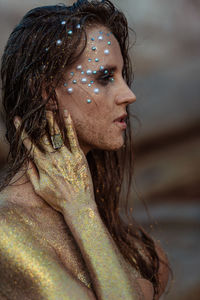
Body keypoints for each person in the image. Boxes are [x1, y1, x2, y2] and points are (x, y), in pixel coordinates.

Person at [0, 0, 169, 299]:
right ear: (47, 91)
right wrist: (81, 211)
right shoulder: (6, 231)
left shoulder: (135, 245)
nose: (129, 94)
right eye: (104, 77)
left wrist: (83, 207)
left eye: (121, 76)